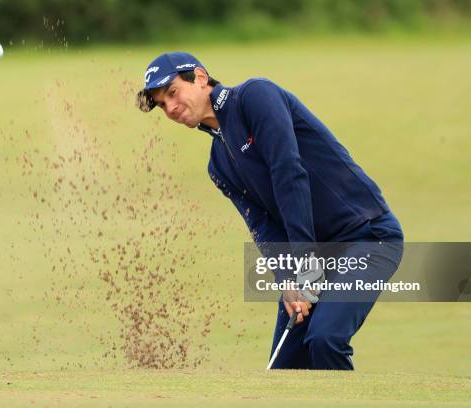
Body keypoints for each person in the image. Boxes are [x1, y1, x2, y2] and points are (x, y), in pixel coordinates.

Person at [136, 52, 404, 370]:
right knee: (285, 369)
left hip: (368, 237)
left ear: (201, 78)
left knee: (324, 340)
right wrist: (287, 279)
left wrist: (305, 261)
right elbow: (262, 226)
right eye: (162, 104)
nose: (171, 108)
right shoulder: (218, 164)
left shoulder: (255, 97)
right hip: (314, 254)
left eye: (172, 93)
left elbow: (289, 172)